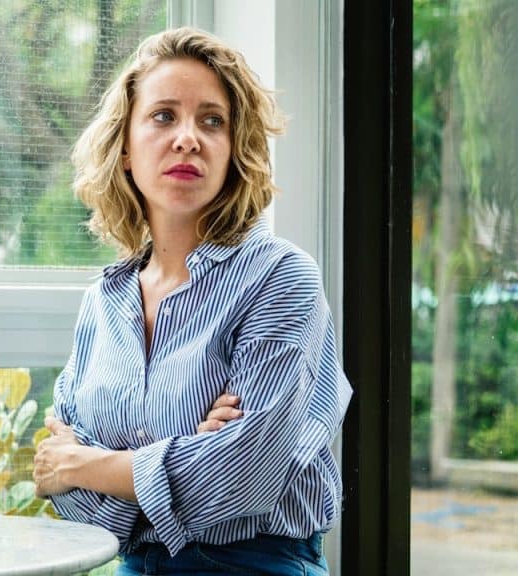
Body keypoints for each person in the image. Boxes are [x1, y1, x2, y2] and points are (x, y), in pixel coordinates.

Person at [32, 27, 352, 575]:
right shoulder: (102, 303)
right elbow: (64, 492)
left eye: (212, 120)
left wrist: (94, 465)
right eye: (162, 116)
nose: (188, 138)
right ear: (126, 149)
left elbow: (245, 477)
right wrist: (186, 455)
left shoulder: (281, 277)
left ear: (234, 150)